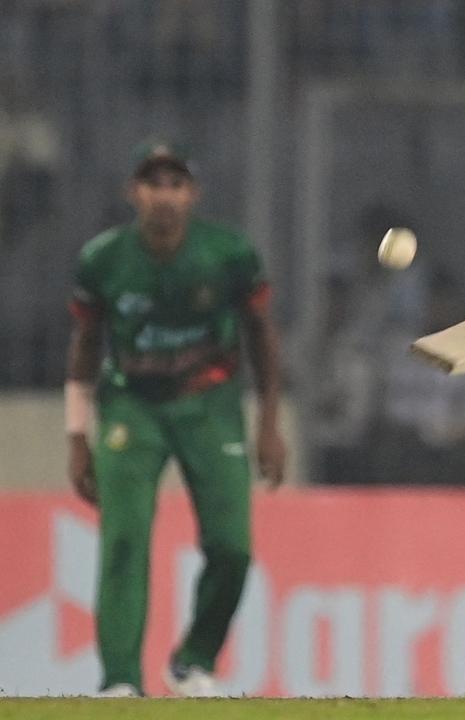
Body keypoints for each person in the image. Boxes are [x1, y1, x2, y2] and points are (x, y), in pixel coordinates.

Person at [66, 141, 286, 697]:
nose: (163, 196)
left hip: (209, 404)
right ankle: (119, 681)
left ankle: (194, 659)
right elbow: (86, 346)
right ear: (132, 192)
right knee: (123, 540)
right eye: (152, 184)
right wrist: (76, 435)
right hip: (131, 405)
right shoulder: (104, 259)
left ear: (192, 194)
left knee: (232, 547)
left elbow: (261, 336)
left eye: (174, 184)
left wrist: (268, 422)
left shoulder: (229, 253)